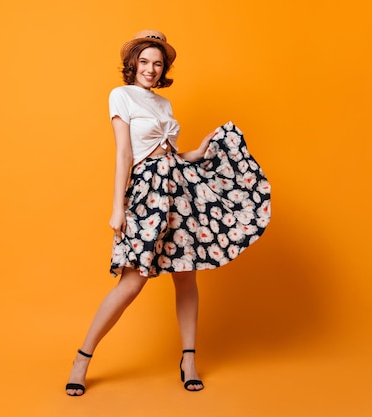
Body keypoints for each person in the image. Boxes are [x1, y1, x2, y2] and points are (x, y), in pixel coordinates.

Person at [65, 29, 271, 396]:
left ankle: (188, 359)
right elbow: (125, 155)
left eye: (157, 64)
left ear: (164, 70)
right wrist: (118, 208)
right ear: (132, 64)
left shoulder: (164, 105)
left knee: (186, 276)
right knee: (131, 282)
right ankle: (82, 358)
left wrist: (202, 149)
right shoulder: (121, 96)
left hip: (180, 190)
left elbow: (172, 157)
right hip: (146, 193)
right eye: (144, 61)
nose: (150, 69)